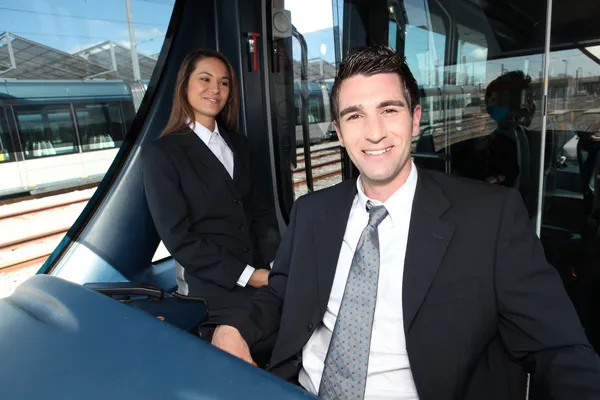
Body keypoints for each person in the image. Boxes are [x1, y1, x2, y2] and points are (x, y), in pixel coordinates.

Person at [210, 45, 600, 399]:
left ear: (415, 120)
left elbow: (557, 346)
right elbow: (280, 294)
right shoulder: (312, 211)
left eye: (389, 110)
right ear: (339, 133)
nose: (374, 132)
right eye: (355, 115)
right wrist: (232, 328)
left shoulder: (490, 218)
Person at [140, 49, 281, 326]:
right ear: (185, 86)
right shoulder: (162, 153)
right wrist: (250, 276)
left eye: (224, 82)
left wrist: (275, 266)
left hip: (262, 279)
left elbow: (260, 213)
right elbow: (179, 238)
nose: (215, 89)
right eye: (205, 79)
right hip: (212, 294)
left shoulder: (239, 144)